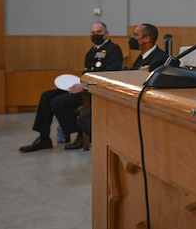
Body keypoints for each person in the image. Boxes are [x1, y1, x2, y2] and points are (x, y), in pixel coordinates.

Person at [19, 21, 123, 152]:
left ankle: (82, 133)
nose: (95, 35)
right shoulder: (92, 51)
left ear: (106, 33)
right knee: (46, 96)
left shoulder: (113, 50)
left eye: (99, 32)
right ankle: (43, 137)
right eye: (93, 33)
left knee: (58, 102)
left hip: (96, 91)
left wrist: (85, 86)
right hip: (85, 86)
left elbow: (110, 77)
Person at [74, 23, 169, 147]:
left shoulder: (159, 58)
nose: (132, 38)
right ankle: (108, 145)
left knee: (89, 119)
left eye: (136, 35)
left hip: (141, 104)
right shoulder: (143, 56)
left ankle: (115, 145)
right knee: (87, 118)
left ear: (147, 38)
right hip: (130, 98)